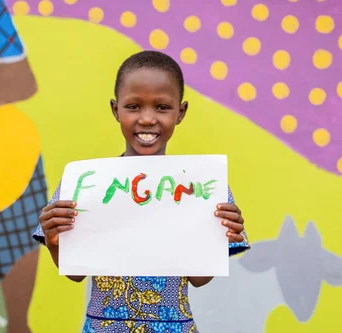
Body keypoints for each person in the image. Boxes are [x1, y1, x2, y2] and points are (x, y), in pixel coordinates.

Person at [32, 50, 250, 333]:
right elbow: (74, 273)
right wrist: (53, 239)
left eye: (162, 107)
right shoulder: (85, 184)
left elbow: (199, 278)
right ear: (116, 110)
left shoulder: (201, 188)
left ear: (180, 112)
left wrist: (218, 241)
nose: (147, 119)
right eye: (133, 106)